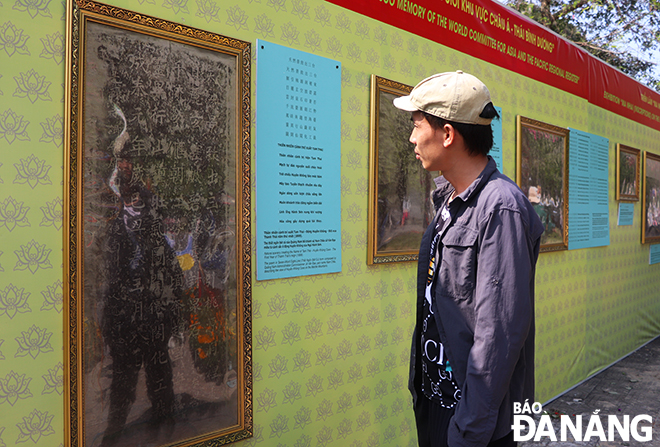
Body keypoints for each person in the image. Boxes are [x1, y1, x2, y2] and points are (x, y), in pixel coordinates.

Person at [393, 71, 544, 447]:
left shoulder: (500, 208)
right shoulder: (449, 200)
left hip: (476, 423)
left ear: (447, 134)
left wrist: (467, 432)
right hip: (439, 404)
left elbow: (499, 336)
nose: (412, 137)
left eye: (417, 125)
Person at [100, 129, 184, 446]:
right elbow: (107, 272)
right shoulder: (109, 210)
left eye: (129, 160)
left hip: (152, 313)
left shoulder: (150, 212)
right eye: (121, 160)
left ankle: (166, 419)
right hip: (123, 315)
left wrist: (172, 311)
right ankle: (115, 428)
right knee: (123, 379)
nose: (125, 166)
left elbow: (169, 267)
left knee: (158, 371)